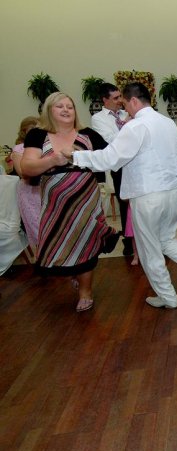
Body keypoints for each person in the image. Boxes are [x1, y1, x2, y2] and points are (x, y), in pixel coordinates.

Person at [60, 83, 177, 310]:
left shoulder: (136, 126)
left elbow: (110, 158)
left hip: (147, 195)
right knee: (166, 239)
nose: (124, 109)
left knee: (150, 250)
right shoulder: (167, 122)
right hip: (171, 192)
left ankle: (168, 297)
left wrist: (76, 157)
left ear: (133, 101)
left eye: (124, 103)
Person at [20, 92, 119, 312]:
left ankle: (85, 291)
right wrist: (53, 160)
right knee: (59, 242)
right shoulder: (37, 135)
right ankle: (73, 272)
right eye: (60, 106)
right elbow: (27, 168)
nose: (66, 110)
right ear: (49, 110)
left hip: (86, 202)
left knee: (85, 240)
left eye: (70, 106)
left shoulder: (88, 134)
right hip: (54, 205)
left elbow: (110, 157)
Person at [91, 83, 134, 256]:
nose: (120, 101)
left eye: (120, 96)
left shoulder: (126, 113)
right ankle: (129, 241)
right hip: (119, 167)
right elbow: (111, 140)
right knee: (125, 203)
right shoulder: (98, 118)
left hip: (136, 163)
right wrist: (127, 125)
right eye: (115, 98)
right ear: (105, 100)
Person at [10, 116, 40, 249]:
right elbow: (23, 173)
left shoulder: (44, 145)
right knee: (36, 227)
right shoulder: (19, 149)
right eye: (32, 129)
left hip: (45, 189)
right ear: (24, 131)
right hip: (29, 192)